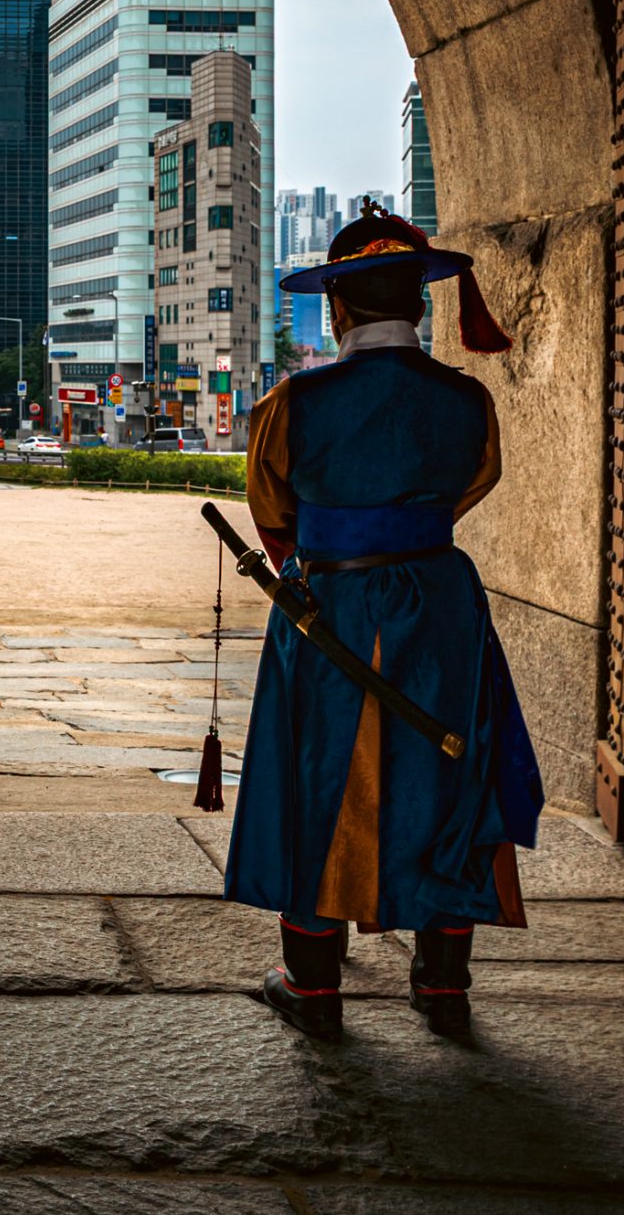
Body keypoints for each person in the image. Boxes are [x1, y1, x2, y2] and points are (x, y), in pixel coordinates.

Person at [225, 206, 543, 1041]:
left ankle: (315, 985)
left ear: (338, 309)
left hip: (329, 602)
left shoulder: (294, 401)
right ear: (423, 304)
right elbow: (472, 485)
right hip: (440, 607)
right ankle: (443, 986)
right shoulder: (468, 401)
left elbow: (273, 510)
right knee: (449, 773)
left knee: (318, 775)